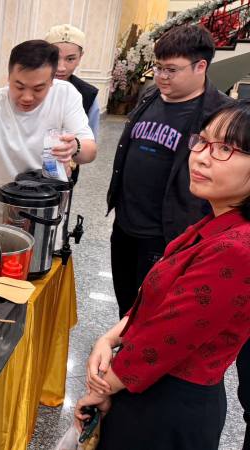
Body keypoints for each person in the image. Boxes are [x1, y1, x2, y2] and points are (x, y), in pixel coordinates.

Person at [75, 100, 250, 450]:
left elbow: (168, 336)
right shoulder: (215, 224)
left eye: (225, 149)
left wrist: (102, 388)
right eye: (201, 141)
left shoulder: (239, 248)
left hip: (169, 406)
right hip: (146, 387)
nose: (201, 156)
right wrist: (110, 338)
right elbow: (159, 304)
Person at [106, 25, 233, 319]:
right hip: (125, 224)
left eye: (171, 70)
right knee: (126, 301)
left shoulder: (221, 115)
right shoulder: (150, 96)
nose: (162, 76)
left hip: (169, 233)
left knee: (154, 309)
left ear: (201, 66)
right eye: (159, 67)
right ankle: (122, 348)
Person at [0, 40, 96, 218]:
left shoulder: (66, 95)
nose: (27, 97)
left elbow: (90, 151)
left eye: (39, 88)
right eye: (19, 86)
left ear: (52, 80)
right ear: (8, 77)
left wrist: (75, 147)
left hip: (49, 213)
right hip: (1, 213)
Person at [45, 24, 100, 137]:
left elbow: (90, 141)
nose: (61, 68)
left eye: (70, 59)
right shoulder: (28, 87)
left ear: (80, 57)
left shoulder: (88, 95)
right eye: (55, 58)